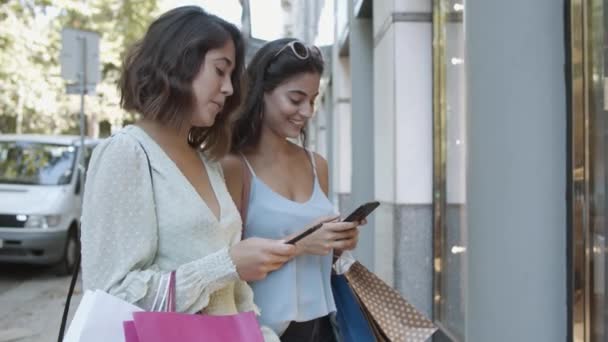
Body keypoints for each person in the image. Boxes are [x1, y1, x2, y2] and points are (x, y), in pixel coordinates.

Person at [79, 7, 295, 341]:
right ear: (178, 64)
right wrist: (226, 264)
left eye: (231, 76)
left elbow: (233, 294)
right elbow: (113, 294)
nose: (227, 88)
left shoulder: (207, 162)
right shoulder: (128, 154)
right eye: (219, 71)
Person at [221, 38, 363, 341]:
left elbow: (321, 254)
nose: (307, 111)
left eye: (312, 100)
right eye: (296, 99)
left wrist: (337, 241)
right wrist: (302, 243)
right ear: (261, 92)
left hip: (323, 325)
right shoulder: (232, 166)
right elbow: (223, 262)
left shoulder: (317, 165)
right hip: (261, 330)